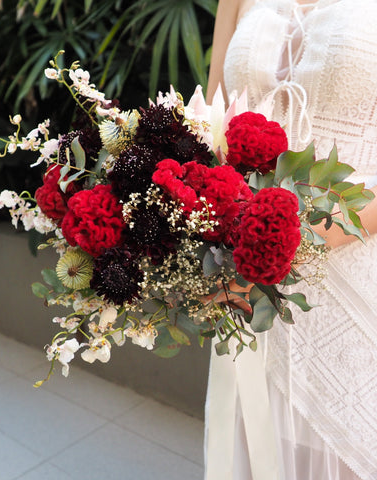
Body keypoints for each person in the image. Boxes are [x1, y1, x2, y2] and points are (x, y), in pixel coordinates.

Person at [204, 1, 377, 479]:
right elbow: (211, 129)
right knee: (258, 440)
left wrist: (284, 248)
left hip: (357, 271)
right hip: (249, 279)